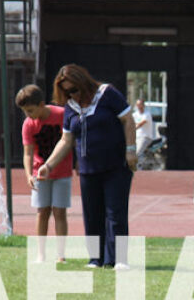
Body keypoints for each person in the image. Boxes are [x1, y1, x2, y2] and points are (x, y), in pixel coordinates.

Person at [38, 64, 136, 269]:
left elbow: (128, 120)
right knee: (92, 214)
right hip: (87, 170)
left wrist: (131, 150)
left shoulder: (107, 94)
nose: (71, 94)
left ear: (83, 83)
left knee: (115, 213)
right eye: (66, 92)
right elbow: (66, 140)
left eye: (74, 89)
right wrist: (48, 165)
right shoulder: (71, 107)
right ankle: (96, 259)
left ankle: (118, 259)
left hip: (115, 166)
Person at [17, 84, 72, 263]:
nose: (28, 115)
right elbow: (28, 153)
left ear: (41, 104)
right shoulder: (28, 124)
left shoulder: (62, 115)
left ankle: (61, 254)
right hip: (40, 174)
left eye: (31, 110)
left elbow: (71, 141)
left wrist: (77, 162)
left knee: (59, 212)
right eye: (25, 111)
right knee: (42, 212)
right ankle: (41, 253)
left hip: (62, 172)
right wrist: (28, 175)